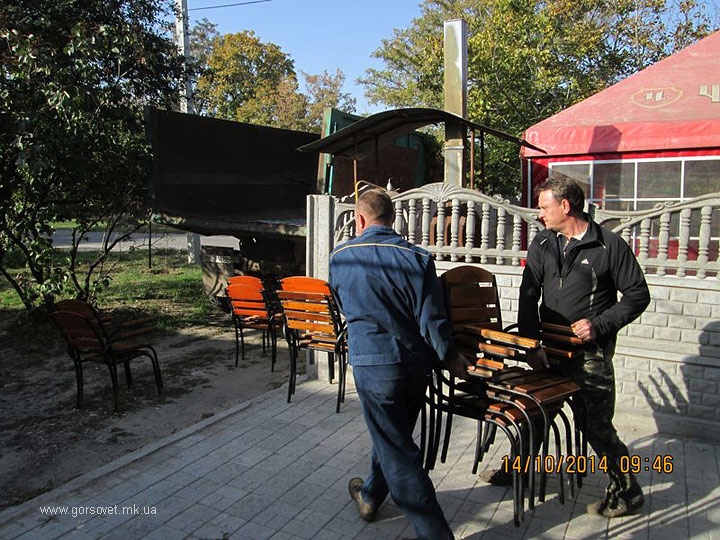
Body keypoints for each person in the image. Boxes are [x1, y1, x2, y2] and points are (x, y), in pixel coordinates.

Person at [329, 188, 473, 540]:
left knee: (398, 450)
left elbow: (341, 303)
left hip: (373, 366)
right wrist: (451, 357)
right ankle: (370, 495)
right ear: (394, 219)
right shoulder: (417, 257)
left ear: (359, 220)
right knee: (395, 437)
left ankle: (435, 532)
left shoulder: (341, 257)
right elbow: (432, 320)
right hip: (414, 365)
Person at [514, 176, 651, 518]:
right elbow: (528, 295)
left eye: (544, 206)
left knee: (594, 424)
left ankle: (627, 491)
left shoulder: (608, 245)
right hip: (549, 350)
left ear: (566, 205)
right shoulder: (543, 243)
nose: (539, 213)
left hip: (589, 355)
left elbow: (637, 295)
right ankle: (517, 468)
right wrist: (532, 345)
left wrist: (599, 325)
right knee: (536, 411)